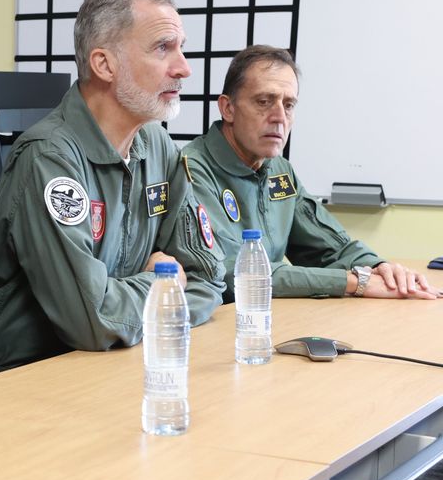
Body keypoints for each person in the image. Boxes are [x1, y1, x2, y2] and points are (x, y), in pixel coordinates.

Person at [0, 0, 226, 371]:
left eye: (181, 47)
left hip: (110, 358)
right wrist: (163, 284)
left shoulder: (156, 143)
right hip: (15, 375)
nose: (184, 67)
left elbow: (210, 276)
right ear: (104, 65)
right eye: (163, 48)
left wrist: (137, 308)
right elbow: (93, 321)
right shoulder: (49, 157)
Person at [181, 45, 437, 301]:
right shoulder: (192, 169)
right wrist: (353, 282)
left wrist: (379, 267)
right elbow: (231, 274)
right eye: (264, 101)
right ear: (228, 109)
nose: (280, 117)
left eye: (289, 104)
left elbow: (329, 247)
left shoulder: (279, 170)